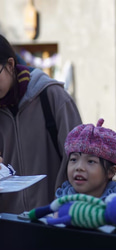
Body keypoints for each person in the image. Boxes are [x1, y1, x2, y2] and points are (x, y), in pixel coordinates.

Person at [0, 34, 82, 214]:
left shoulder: (52, 97)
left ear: (10, 65)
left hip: (55, 221)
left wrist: (65, 209)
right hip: (9, 226)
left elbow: (80, 159)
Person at [55, 118, 116, 200]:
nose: (79, 167)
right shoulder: (62, 201)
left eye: (90, 161)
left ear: (111, 171)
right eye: (73, 160)